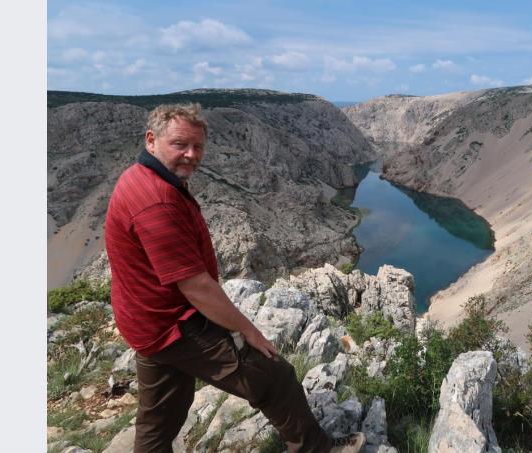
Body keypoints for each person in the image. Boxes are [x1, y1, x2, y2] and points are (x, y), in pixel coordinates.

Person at [104, 103, 366, 453]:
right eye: (180, 144)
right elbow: (196, 286)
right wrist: (248, 330)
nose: (191, 155)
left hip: (145, 322)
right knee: (274, 377)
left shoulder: (140, 176)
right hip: (174, 324)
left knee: (161, 417)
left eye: (198, 147)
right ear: (151, 140)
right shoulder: (156, 201)